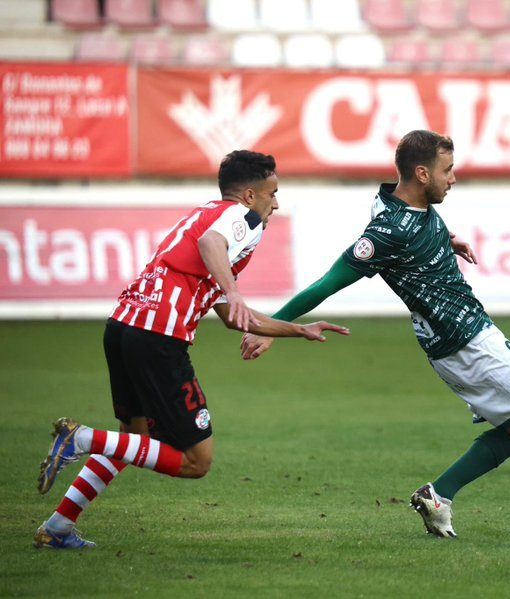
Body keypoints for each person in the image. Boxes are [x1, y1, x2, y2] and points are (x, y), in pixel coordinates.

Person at [241, 130, 510, 541]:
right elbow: (328, 282)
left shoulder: (398, 203)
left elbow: (413, 224)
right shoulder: (387, 232)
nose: (453, 177)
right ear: (422, 173)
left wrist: (446, 239)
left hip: (457, 341)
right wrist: (271, 327)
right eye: (447, 169)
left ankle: (439, 494)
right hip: (466, 341)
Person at [34, 150, 350, 549]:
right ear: (249, 195)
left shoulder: (204, 214)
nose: (276, 204)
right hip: (158, 337)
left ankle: (58, 527)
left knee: (133, 438)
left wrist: (298, 330)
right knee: (196, 461)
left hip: (123, 327)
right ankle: (81, 439)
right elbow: (211, 244)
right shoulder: (242, 218)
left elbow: (233, 316)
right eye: (272, 193)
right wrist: (234, 290)